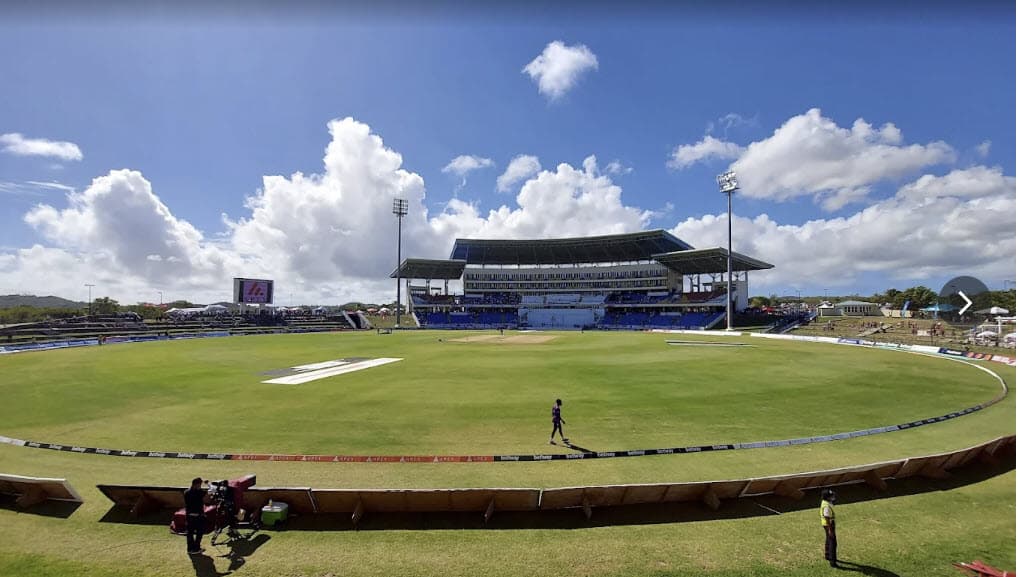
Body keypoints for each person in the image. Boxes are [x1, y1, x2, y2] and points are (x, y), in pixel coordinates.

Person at [184, 477, 207, 555]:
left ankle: (190, 549)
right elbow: (206, 492)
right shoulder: (199, 493)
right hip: (197, 516)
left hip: (189, 516)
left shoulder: (186, 492)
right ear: (197, 485)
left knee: (190, 533)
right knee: (199, 532)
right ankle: (196, 548)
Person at [820, 488, 837, 568]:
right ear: (827, 497)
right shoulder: (826, 506)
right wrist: (830, 529)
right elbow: (827, 517)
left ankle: (827, 555)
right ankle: (832, 561)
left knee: (828, 539)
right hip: (829, 524)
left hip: (826, 524)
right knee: (832, 543)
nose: (833, 496)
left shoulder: (825, 502)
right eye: (831, 496)